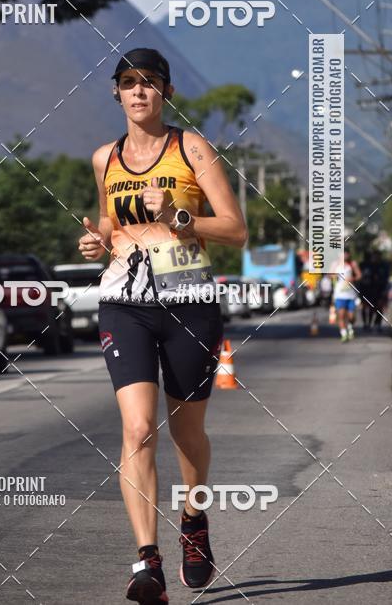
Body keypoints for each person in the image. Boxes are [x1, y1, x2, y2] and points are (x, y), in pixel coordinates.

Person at [78, 48, 247, 604]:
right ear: (116, 93)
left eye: (150, 82)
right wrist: (97, 240)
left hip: (189, 301)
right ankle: (146, 560)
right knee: (136, 429)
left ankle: (193, 521)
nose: (139, 91)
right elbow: (108, 218)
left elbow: (234, 229)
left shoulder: (191, 147)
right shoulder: (105, 157)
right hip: (123, 301)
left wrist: (176, 214)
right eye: (128, 82)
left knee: (186, 432)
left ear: (166, 92)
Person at [333, 249, 361, 342]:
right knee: (341, 315)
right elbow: (329, 275)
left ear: (348, 255)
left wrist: (352, 278)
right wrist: (334, 274)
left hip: (351, 294)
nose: (343, 256)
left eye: (345, 254)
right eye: (342, 254)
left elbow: (359, 275)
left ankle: (350, 326)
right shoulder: (336, 264)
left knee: (351, 316)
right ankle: (344, 333)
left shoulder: (352, 264)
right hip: (339, 294)